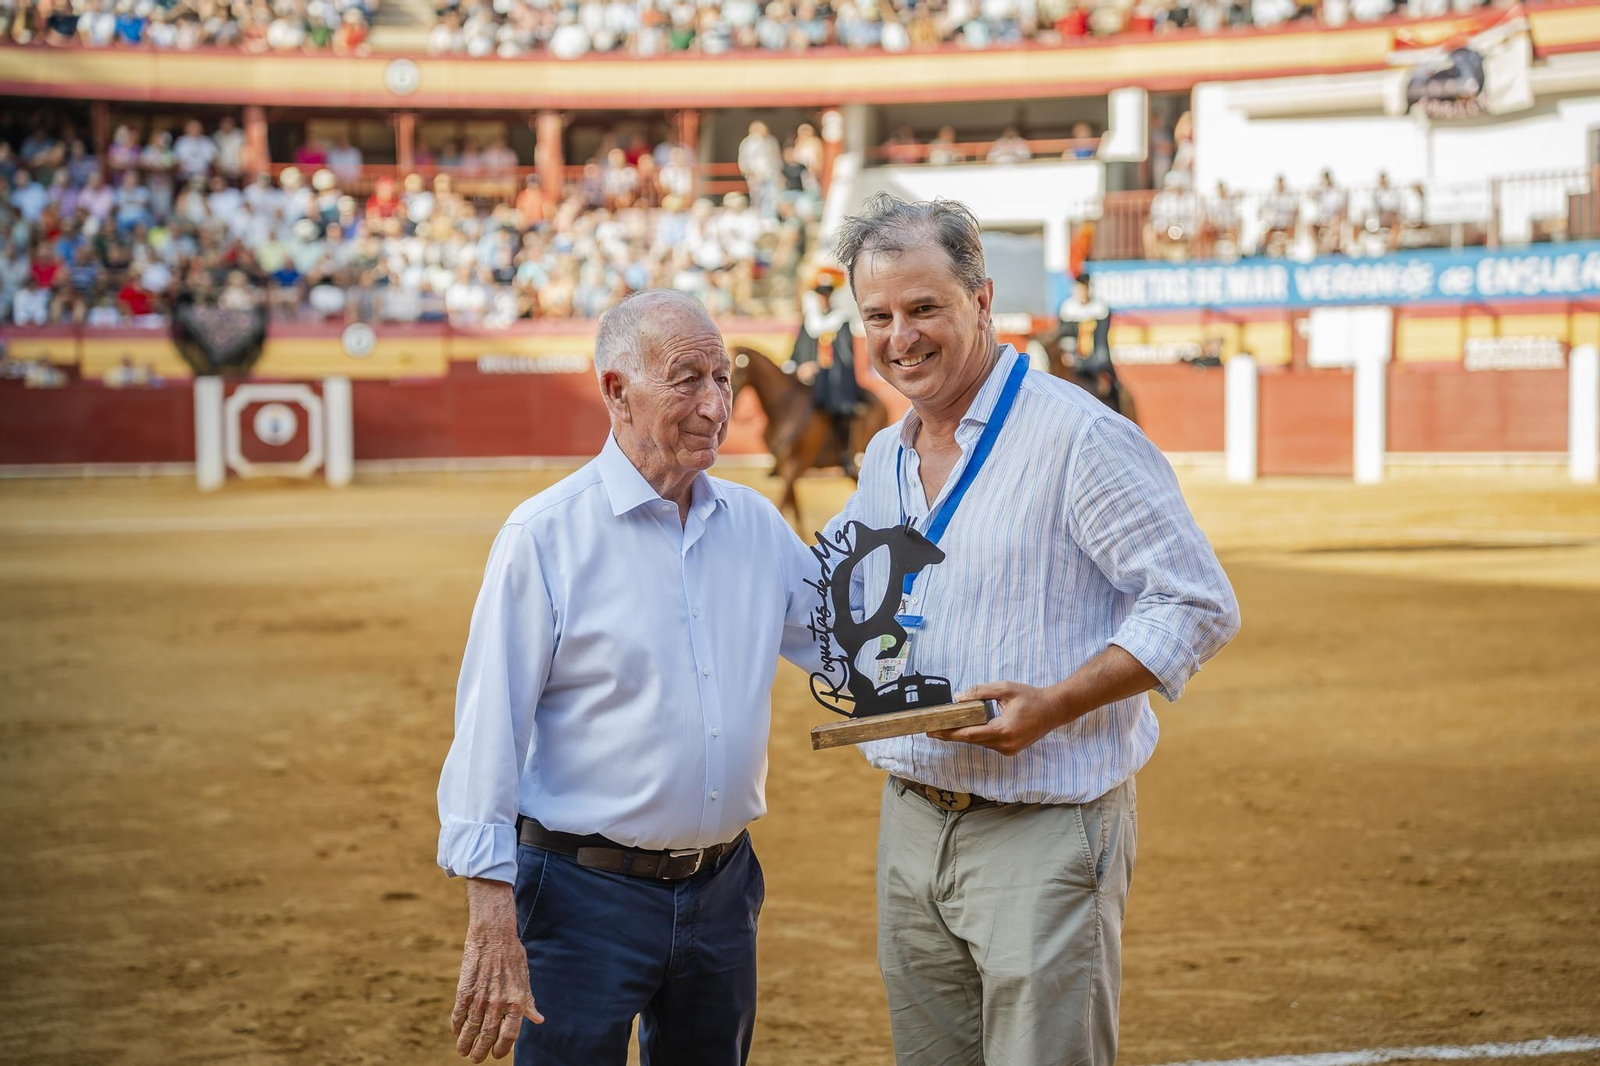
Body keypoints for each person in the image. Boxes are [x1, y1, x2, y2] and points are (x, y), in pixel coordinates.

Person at [824, 193, 1240, 1065]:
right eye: (879, 315)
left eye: (924, 308)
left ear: (981, 301)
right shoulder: (885, 458)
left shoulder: (1079, 436)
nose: (901, 336)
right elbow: (845, 597)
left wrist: (1054, 703)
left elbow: (1196, 601)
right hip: (910, 824)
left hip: (1045, 828)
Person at [437, 289, 820, 1066]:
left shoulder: (755, 526)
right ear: (616, 389)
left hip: (723, 892)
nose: (716, 404)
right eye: (688, 378)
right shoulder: (544, 537)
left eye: (722, 378)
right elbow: (488, 732)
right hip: (581, 900)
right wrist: (489, 911)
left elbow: (852, 651)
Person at [786, 265, 861, 466]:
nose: (823, 298)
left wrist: (822, 366)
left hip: (832, 376)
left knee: (837, 406)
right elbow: (799, 348)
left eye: (826, 294)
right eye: (820, 294)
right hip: (807, 375)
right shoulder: (809, 320)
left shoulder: (841, 321)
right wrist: (801, 365)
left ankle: (843, 453)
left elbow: (845, 355)